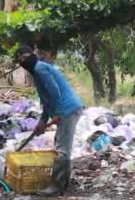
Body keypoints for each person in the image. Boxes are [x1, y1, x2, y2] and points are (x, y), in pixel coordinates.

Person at [14, 46, 84, 196]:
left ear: (33, 55)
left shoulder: (40, 69)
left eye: (24, 57)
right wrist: (42, 122)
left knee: (61, 151)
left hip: (68, 109)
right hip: (66, 110)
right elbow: (46, 100)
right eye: (19, 59)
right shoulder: (38, 72)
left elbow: (54, 91)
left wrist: (57, 113)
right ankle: (63, 183)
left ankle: (55, 188)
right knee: (62, 146)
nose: (22, 61)